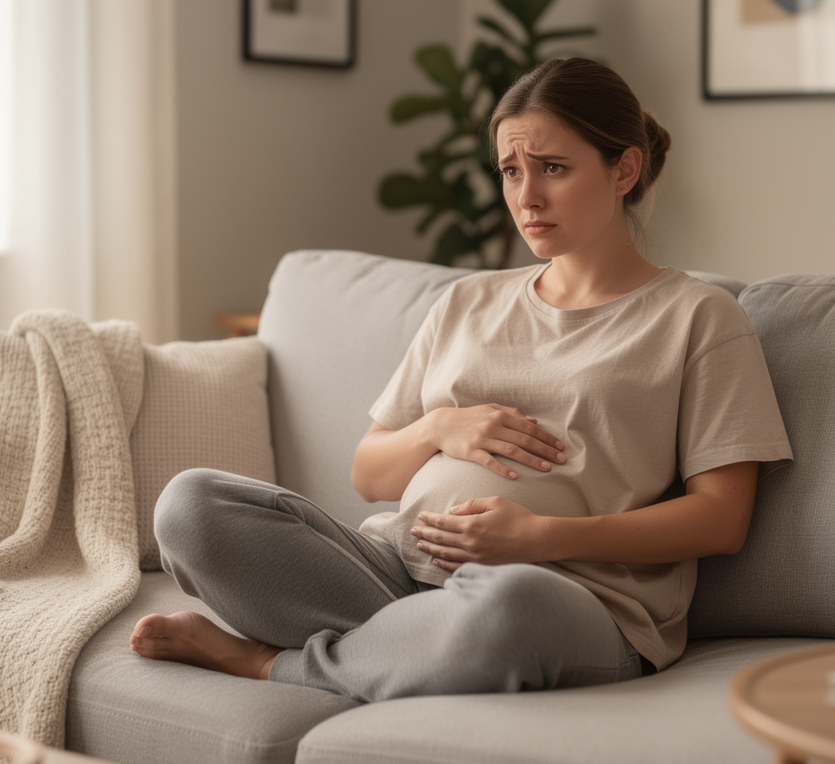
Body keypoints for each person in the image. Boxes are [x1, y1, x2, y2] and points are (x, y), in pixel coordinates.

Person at [129, 57, 793, 701]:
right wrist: (439, 428)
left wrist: (539, 538)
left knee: (510, 607)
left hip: (569, 595)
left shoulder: (698, 317)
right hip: (395, 571)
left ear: (624, 169)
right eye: (511, 171)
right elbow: (369, 473)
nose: (526, 197)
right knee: (189, 506)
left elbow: (721, 519)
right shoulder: (469, 301)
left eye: (553, 168)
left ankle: (268, 663)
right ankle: (404, 647)